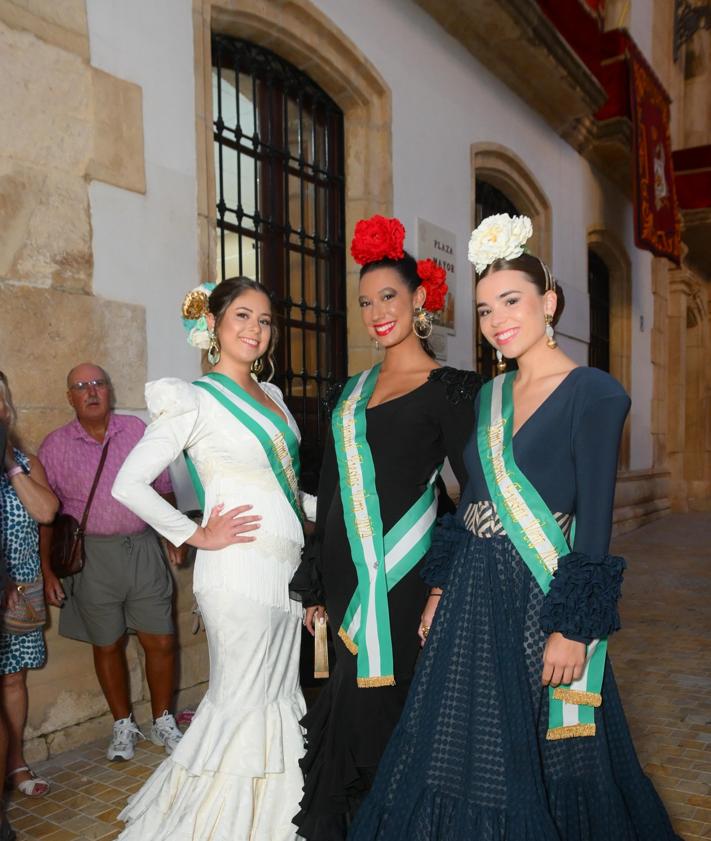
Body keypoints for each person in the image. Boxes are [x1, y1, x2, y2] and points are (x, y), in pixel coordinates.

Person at [349, 215, 681, 841]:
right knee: (460, 747)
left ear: (547, 303)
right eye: (483, 310)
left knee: (551, 753)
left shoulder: (594, 393)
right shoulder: (487, 396)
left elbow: (596, 525)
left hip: (540, 595)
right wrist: (440, 590)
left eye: (511, 301)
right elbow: (469, 494)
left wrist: (574, 628)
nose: (497, 319)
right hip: (473, 592)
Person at [291, 215, 482, 840]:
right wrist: (316, 584)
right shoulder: (346, 393)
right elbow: (330, 494)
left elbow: (475, 494)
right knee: (345, 713)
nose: (377, 312)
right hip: (347, 582)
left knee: (390, 712)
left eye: (389, 297)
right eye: (366, 301)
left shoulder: (451, 390)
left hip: (406, 582)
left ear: (420, 299)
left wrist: (440, 587)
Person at [112, 277, 315, 840]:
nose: (256, 329)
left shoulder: (270, 399)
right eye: (243, 317)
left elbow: (285, 490)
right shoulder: (193, 399)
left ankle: (275, 820)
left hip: (285, 572)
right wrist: (194, 533)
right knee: (242, 702)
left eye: (266, 320)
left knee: (276, 697)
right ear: (215, 327)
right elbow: (129, 484)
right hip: (237, 575)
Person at [38, 363, 184, 762]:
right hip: (92, 560)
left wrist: (173, 532)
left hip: (142, 549)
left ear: (109, 391)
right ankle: (122, 724)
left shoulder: (136, 432)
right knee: (106, 644)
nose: (91, 391)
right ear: (70, 397)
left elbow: (164, 488)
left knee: (162, 639)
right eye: (80, 386)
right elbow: (45, 514)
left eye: (97, 383)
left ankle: (163, 720)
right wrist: (47, 569)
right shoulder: (54, 446)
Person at [0, 372, 58, 802]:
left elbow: (46, 512)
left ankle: (14, 760)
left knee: (12, 682)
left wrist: (8, 463)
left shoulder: (23, 461)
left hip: (20, 592)